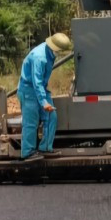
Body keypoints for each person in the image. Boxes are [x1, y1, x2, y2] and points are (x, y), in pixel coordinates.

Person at [18, 32, 71, 160]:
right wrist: (44, 102)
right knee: (31, 122)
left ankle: (45, 148)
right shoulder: (39, 57)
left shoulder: (49, 53)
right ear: (55, 48)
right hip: (29, 91)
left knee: (51, 116)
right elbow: (37, 82)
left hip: (41, 89)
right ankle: (27, 152)